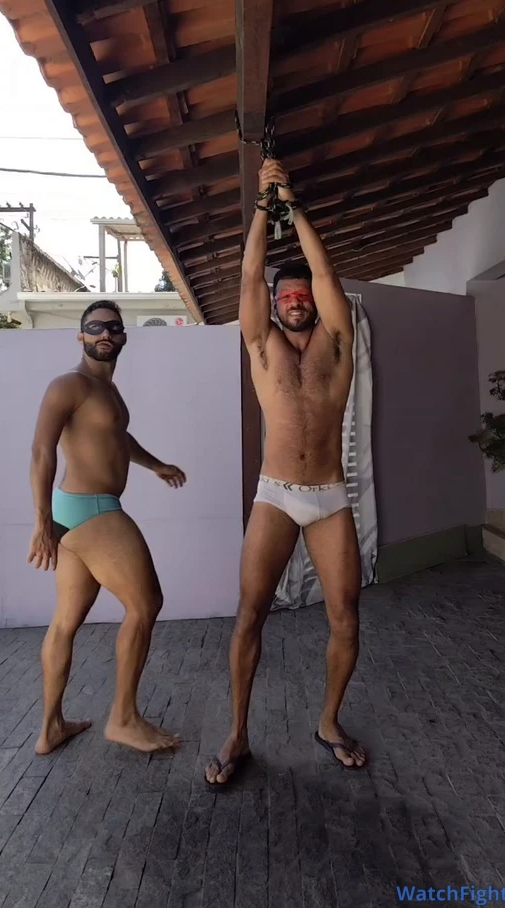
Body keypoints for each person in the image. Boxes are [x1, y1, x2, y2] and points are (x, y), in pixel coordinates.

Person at [205, 159, 366, 786]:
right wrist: (260, 206)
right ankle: (238, 734)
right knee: (250, 614)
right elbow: (249, 273)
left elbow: (325, 273)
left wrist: (292, 205)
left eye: (304, 297)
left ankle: (329, 723)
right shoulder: (262, 345)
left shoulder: (338, 343)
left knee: (345, 616)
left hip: (329, 497)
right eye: (286, 297)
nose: (297, 302)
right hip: (275, 496)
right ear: (274, 305)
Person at [29, 300, 186, 756]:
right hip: (90, 509)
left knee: (65, 622)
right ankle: (123, 718)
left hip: (77, 514)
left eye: (113, 327)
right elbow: (41, 451)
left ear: (123, 337)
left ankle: (51, 728)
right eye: (94, 327)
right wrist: (40, 522)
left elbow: (117, 437)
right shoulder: (69, 385)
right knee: (146, 604)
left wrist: (156, 465)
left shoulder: (107, 391)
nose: (105, 334)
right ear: (80, 336)